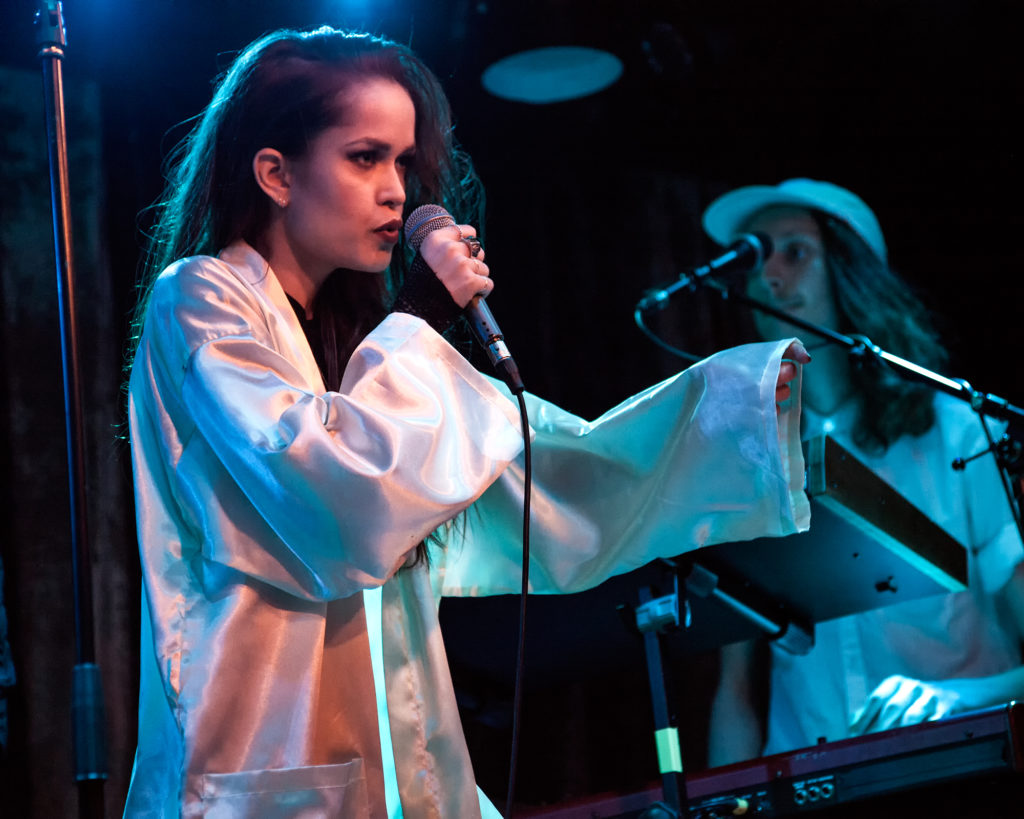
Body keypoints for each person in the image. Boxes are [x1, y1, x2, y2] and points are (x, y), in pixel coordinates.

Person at [124, 26, 811, 818]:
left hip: (395, 767)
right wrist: (420, 316)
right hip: (263, 771)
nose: (397, 191)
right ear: (277, 173)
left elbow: (533, 474)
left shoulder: (368, 344)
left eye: (404, 163)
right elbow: (333, 492)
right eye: (365, 158)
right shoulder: (200, 300)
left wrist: (733, 412)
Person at [703, 178, 1024, 767]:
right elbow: (736, 689)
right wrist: (723, 801)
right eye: (754, 259)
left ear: (851, 274)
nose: (769, 276)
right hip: (811, 780)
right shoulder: (744, 463)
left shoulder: (961, 434)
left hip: (964, 766)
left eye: (795, 252)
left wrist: (957, 701)